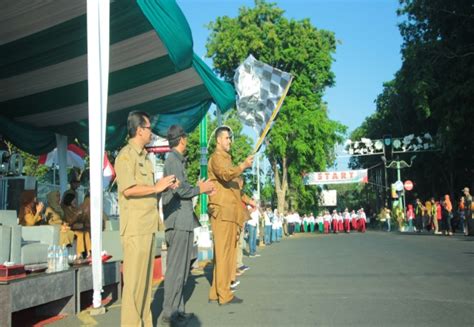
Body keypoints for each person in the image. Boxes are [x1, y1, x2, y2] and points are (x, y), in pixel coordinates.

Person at [115, 111, 177, 326]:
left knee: (145, 284)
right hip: (134, 228)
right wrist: (155, 187)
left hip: (147, 226)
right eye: (149, 128)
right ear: (139, 130)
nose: (151, 132)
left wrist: (164, 185)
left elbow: (149, 191)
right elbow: (128, 189)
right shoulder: (126, 155)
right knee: (133, 285)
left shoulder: (144, 158)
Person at [160, 124, 215, 326]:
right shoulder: (173, 160)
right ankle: (170, 312)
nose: (188, 140)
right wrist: (200, 188)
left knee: (183, 270)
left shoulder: (176, 160)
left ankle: (177, 310)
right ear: (181, 139)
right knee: (176, 270)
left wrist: (197, 187)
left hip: (183, 221)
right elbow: (180, 190)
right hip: (178, 222)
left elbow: (182, 188)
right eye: (186, 137)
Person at [207, 126, 253, 306]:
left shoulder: (225, 159)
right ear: (218, 140)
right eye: (226, 138)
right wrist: (243, 166)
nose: (229, 141)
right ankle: (224, 294)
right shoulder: (217, 158)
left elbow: (233, 185)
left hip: (228, 212)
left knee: (224, 254)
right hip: (223, 212)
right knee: (225, 254)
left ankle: (216, 292)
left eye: (230, 138)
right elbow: (226, 175)